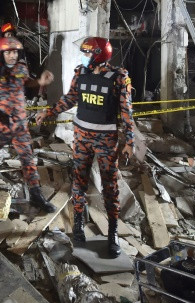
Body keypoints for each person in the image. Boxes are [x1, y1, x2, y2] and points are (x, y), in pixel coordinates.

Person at [36, 37, 134, 258]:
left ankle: (112, 233)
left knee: (110, 187)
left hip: (106, 139)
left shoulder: (119, 78)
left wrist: (129, 141)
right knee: (78, 181)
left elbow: (127, 112)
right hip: (81, 137)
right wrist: (49, 112)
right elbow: (70, 99)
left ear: (100, 55)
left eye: (88, 53)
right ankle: (78, 225)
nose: (84, 57)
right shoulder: (80, 73)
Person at [0, 36, 57, 213]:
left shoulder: (21, 67)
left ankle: (36, 195)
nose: (13, 55)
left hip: (19, 124)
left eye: (15, 52)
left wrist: (39, 82)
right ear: (1, 53)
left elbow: (26, 81)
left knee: (27, 158)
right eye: (9, 52)